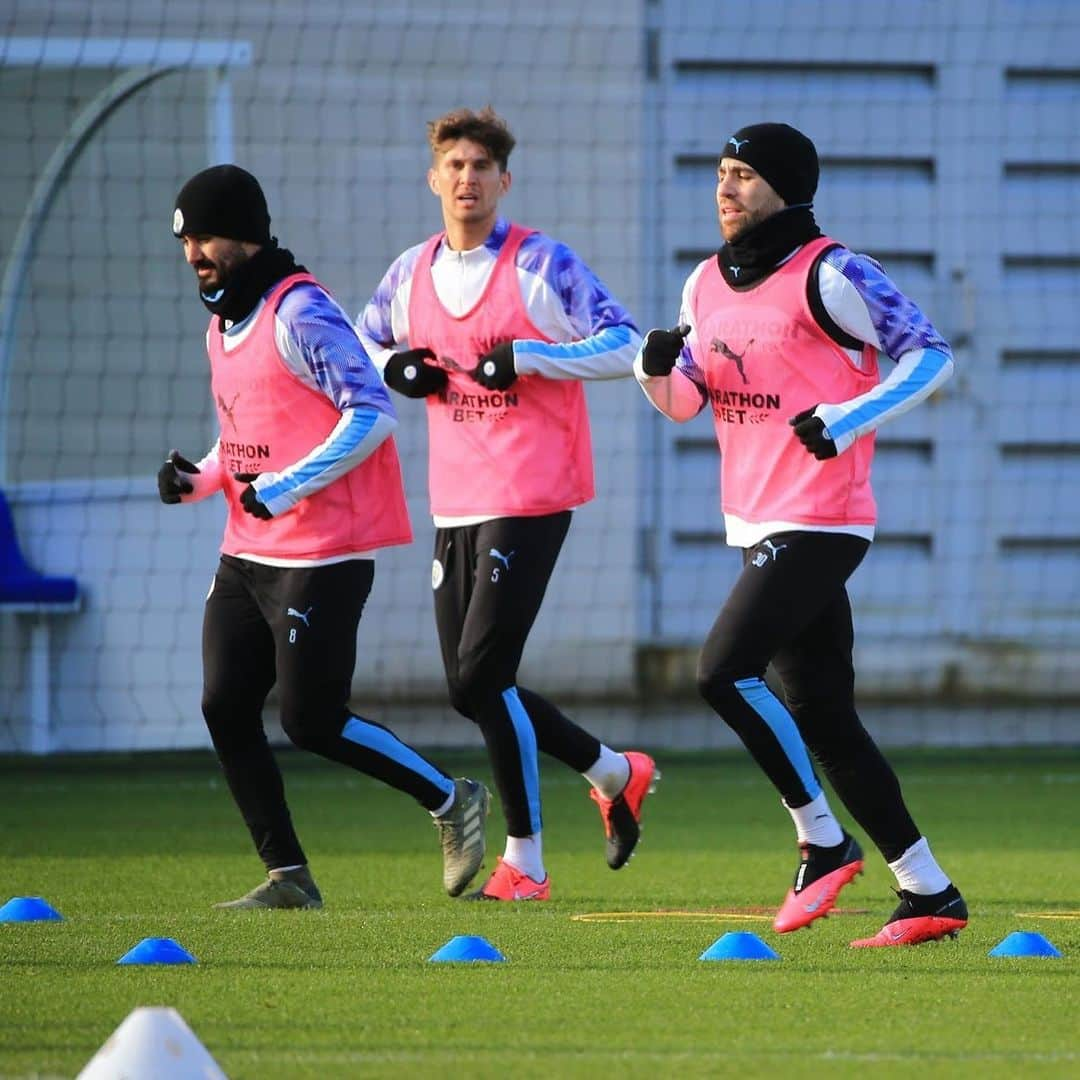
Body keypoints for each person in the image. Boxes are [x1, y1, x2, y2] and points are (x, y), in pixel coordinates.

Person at [635, 123, 968, 947]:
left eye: (743, 175)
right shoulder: (702, 283)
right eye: (720, 173)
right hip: (755, 520)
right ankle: (927, 890)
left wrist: (849, 418)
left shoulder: (835, 272)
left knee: (722, 671)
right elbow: (685, 401)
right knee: (823, 714)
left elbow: (931, 357)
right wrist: (651, 371)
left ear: (786, 188)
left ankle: (821, 840)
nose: (725, 189)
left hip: (823, 517)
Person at [159, 164, 489, 909]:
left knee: (312, 721)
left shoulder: (299, 311)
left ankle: (450, 798)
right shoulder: (224, 319)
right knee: (224, 705)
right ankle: (288, 876)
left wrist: (281, 489)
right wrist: (202, 476)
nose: (194, 255)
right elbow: (246, 429)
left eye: (205, 238)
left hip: (321, 554)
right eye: (185, 242)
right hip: (245, 555)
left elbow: (372, 413)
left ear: (244, 235)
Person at [355, 107, 657, 901]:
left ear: (504, 182)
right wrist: (397, 370)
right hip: (455, 501)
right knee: (469, 686)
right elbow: (363, 344)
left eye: (482, 166)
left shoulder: (542, 265)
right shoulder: (408, 274)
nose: (467, 178)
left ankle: (525, 859)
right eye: (454, 166)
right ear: (434, 179)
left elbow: (626, 342)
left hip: (531, 491)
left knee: (485, 671)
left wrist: (532, 355)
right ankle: (615, 771)